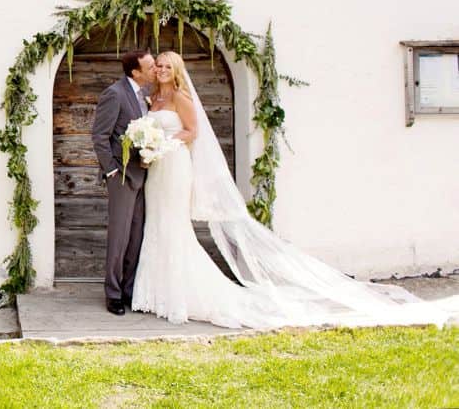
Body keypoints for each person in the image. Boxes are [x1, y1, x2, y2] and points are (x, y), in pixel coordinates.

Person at [130, 51, 453, 329]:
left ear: (177, 71)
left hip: (174, 167)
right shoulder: (154, 98)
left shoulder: (182, 98)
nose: (160, 70)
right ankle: (155, 291)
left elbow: (192, 131)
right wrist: (149, 144)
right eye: (158, 65)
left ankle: (181, 294)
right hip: (157, 168)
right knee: (156, 224)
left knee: (173, 226)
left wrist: (163, 142)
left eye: (167, 66)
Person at [91, 49, 155, 316]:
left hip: (143, 176)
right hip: (122, 177)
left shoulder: (145, 97)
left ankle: (129, 290)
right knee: (119, 238)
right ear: (135, 72)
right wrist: (111, 172)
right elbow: (100, 136)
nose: (155, 70)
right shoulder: (114, 94)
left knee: (137, 235)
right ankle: (113, 294)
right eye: (150, 67)